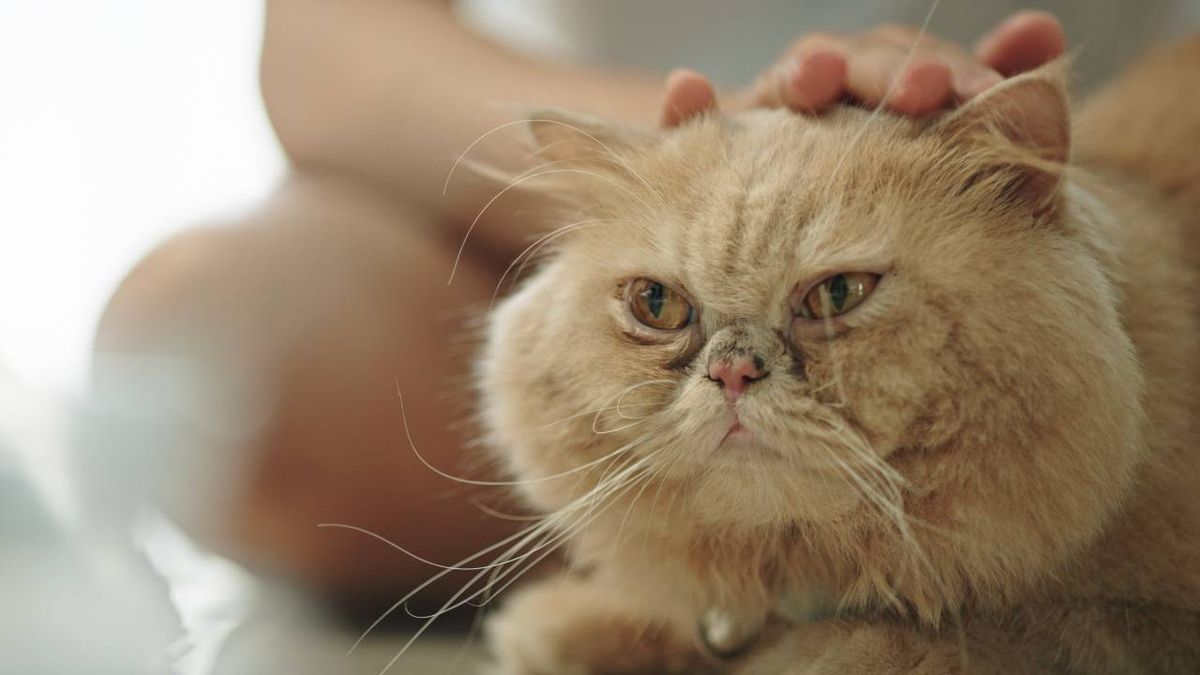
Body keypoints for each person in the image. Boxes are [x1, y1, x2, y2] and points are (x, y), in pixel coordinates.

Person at [92, 0, 1095, 611]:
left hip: (1026, 158)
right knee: (194, 350)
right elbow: (321, 47)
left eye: (832, 296)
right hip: (580, 173)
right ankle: (691, 583)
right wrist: (704, 152)